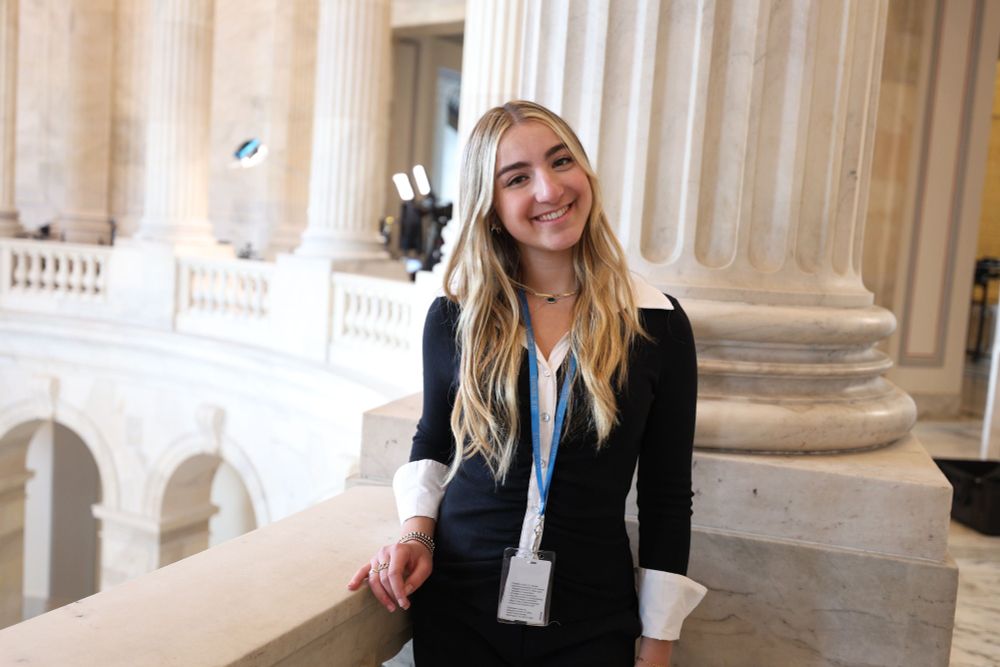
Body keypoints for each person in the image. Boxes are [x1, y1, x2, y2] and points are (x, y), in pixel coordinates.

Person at [347, 100, 706, 666]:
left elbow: (666, 496)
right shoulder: (455, 316)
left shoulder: (656, 322)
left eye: (561, 161)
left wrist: (658, 641)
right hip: (458, 610)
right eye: (517, 178)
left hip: (593, 618)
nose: (549, 188)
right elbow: (436, 441)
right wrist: (416, 533)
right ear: (489, 207)